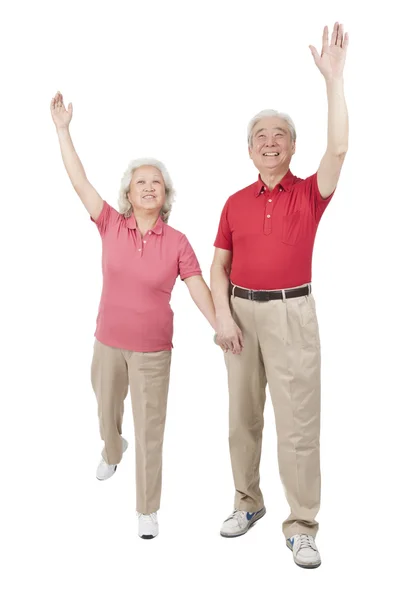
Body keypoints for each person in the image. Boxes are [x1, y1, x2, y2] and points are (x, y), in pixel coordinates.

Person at [211, 22, 349, 568]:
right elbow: (219, 265)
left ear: (292, 147)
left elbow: (339, 145)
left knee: (298, 422)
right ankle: (248, 503)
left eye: (280, 136)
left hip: (293, 315)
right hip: (239, 315)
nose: (270, 142)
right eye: (260, 136)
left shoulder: (309, 195)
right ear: (249, 149)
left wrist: (333, 81)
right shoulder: (234, 202)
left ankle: (302, 525)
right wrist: (223, 316)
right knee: (242, 418)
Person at [50, 91, 217, 540]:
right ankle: (111, 448)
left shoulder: (178, 241)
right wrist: (64, 130)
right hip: (107, 342)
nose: (147, 187)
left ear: (165, 195)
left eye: (156, 183)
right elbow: (79, 181)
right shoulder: (109, 223)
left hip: (152, 353)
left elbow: (198, 287)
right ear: (128, 191)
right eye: (140, 181)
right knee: (107, 411)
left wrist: (222, 326)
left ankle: (147, 508)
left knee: (150, 430)